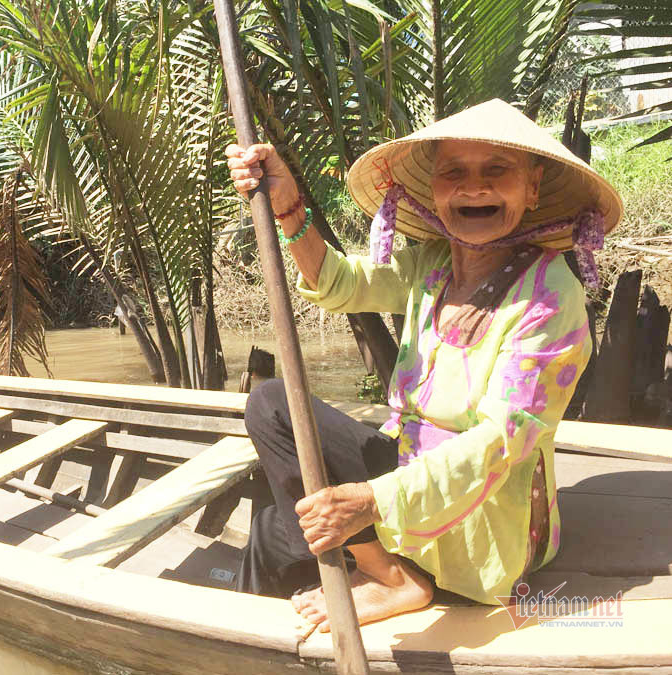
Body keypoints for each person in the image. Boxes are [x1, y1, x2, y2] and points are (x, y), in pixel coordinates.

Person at [225, 99, 622, 632]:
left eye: (496, 171)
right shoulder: (433, 263)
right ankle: (351, 577)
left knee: (283, 533)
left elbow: (499, 445)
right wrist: (290, 210)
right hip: (406, 468)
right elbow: (340, 283)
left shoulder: (551, 298)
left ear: (531, 189)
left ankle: (391, 578)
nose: (473, 187)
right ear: (434, 189)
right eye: (453, 172)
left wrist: (371, 501)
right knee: (270, 412)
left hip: (485, 519)